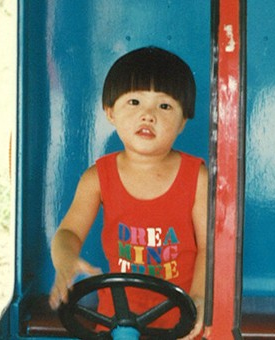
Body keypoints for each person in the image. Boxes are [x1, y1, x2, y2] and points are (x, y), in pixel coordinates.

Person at [49, 46, 207, 339]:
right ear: (110, 112)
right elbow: (67, 233)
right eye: (134, 101)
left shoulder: (197, 177)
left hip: (183, 323)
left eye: (164, 106)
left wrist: (199, 298)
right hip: (115, 322)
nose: (148, 115)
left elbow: (210, 249)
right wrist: (66, 259)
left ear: (183, 121)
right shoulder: (97, 178)